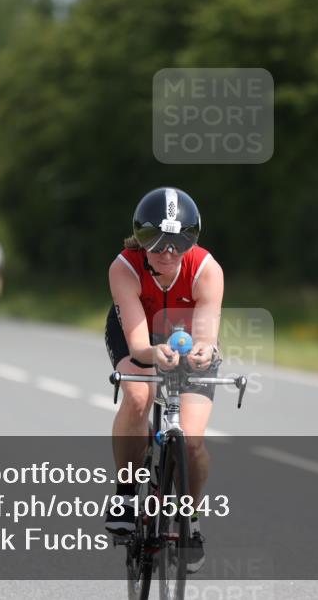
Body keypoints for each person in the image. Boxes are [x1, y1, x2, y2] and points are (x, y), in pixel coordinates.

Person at [103, 187, 224, 573]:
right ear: (140, 238)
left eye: (177, 242)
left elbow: (206, 338)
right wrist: (154, 355)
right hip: (138, 335)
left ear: (191, 241)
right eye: (155, 241)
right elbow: (139, 346)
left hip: (188, 338)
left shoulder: (208, 270)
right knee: (139, 397)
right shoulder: (124, 267)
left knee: (191, 441)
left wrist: (203, 351)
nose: (167, 251)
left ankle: (191, 518)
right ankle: (125, 494)